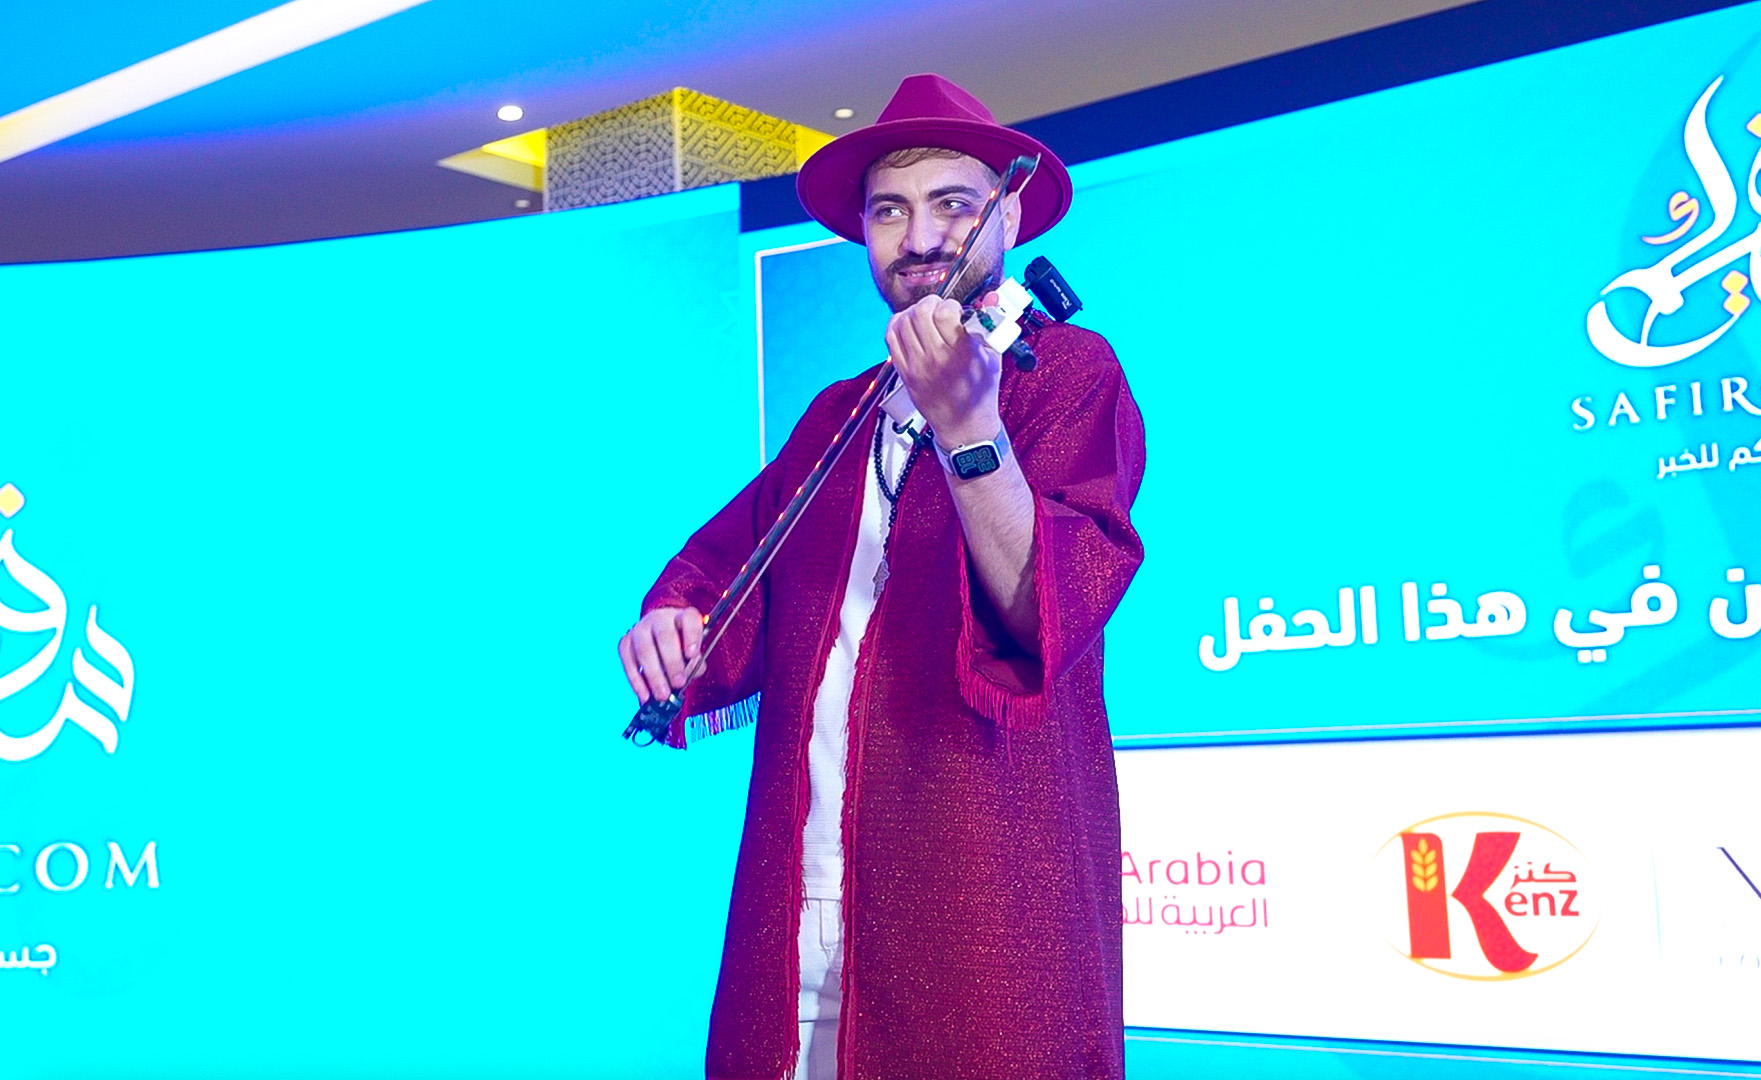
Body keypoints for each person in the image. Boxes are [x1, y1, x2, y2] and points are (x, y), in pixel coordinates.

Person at [617, 73, 1146, 1080]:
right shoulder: (838, 410)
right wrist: (672, 624)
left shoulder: (1067, 371)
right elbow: (725, 571)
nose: (920, 236)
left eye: (952, 204)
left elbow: (1047, 608)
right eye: (890, 211)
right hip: (800, 893)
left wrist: (969, 427)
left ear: (1008, 216)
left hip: (974, 892)